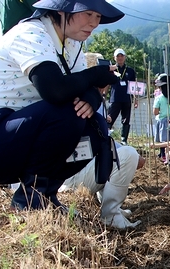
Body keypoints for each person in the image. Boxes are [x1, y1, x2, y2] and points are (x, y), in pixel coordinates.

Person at [0, 0, 123, 210]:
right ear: (62, 11)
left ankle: (46, 192)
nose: (94, 23)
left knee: (95, 126)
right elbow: (54, 90)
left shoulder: (71, 43)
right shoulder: (31, 34)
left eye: (98, 16)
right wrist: (94, 76)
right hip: (3, 131)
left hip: (23, 134)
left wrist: (92, 98)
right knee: (67, 113)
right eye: (88, 13)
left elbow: (79, 89)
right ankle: (30, 198)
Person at [59, 86, 145, 229]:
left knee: (106, 158)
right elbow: (104, 141)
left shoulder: (69, 104)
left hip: (62, 177)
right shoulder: (86, 106)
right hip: (70, 182)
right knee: (128, 155)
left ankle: (109, 207)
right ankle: (111, 216)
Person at [107, 48, 137, 144]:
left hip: (127, 98)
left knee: (126, 119)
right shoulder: (111, 69)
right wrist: (103, 95)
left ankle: (124, 139)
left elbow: (134, 85)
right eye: (118, 56)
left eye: (121, 56)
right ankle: (106, 134)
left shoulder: (130, 71)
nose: (120, 58)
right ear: (114, 58)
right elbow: (106, 83)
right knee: (110, 117)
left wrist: (135, 98)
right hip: (115, 98)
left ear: (125, 57)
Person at [152, 73, 170, 162]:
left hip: (163, 121)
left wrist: (162, 111)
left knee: (163, 139)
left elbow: (155, 112)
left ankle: (163, 155)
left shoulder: (159, 98)